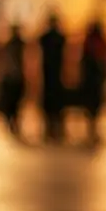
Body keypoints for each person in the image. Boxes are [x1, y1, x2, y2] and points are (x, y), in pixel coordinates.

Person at [79, 21, 106, 143]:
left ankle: (92, 126)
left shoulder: (90, 42)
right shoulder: (97, 43)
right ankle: (92, 126)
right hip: (94, 78)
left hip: (92, 78)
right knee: (93, 103)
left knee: (92, 103)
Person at [38, 12, 67, 143]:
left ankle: (52, 128)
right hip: (52, 73)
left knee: (53, 102)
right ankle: (53, 128)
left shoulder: (48, 38)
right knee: (54, 102)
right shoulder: (58, 37)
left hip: (52, 73)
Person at [0, 24, 27, 136]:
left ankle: (12, 120)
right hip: (16, 77)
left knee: (12, 102)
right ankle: (13, 120)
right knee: (14, 102)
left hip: (13, 77)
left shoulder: (10, 45)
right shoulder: (19, 45)